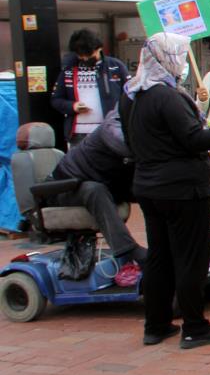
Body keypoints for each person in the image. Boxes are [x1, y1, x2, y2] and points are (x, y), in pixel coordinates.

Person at [118, 32, 210, 349]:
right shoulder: (167, 96)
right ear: (167, 58)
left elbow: (134, 138)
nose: (182, 62)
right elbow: (196, 139)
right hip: (181, 189)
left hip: (148, 186)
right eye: (179, 55)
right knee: (191, 258)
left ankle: (156, 324)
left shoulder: (131, 93)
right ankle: (194, 326)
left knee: (160, 256)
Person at [47, 107, 145, 265]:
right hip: (62, 188)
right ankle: (127, 249)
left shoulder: (128, 123)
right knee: (94, 189)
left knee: (149, 189)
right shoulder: (112, 128)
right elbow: (123, 143)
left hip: (95, 180)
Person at [50, 29, 129, 148]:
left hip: (110, 132)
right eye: (81, 56)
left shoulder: (116, 66)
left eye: (89, 55)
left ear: (99, 49)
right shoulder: (68, 70)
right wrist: (73, 106)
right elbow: (56, 99)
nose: (86, 59)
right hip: (78, 134)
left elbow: (130, 95)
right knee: (78, 165)